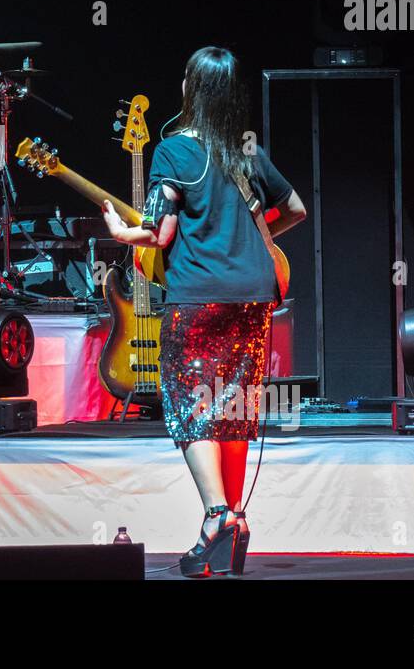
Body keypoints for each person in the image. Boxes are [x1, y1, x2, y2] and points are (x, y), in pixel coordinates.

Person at [101, 46, 306, 577]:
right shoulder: (246, 150)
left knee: (191, 409)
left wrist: (124, 233)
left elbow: (161, 231)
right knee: (234, 408)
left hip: (198, 299)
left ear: (190, 89)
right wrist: (257, 236)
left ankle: (216, 517)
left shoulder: (173, 150)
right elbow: (297, 209)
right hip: (255, 297)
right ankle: (234, 520)